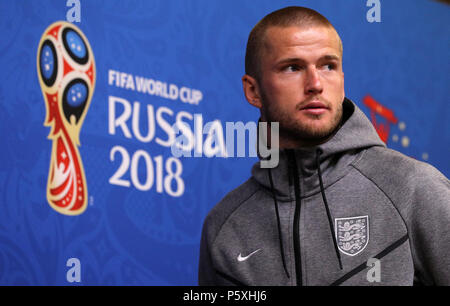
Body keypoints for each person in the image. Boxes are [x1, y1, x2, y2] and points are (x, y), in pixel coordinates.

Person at [198, 6, 450, 286]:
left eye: (328, 66)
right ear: (253, 91)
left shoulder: (412, 188)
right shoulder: (226, 229)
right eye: (293, 67)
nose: (315, 84)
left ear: (342, 80)